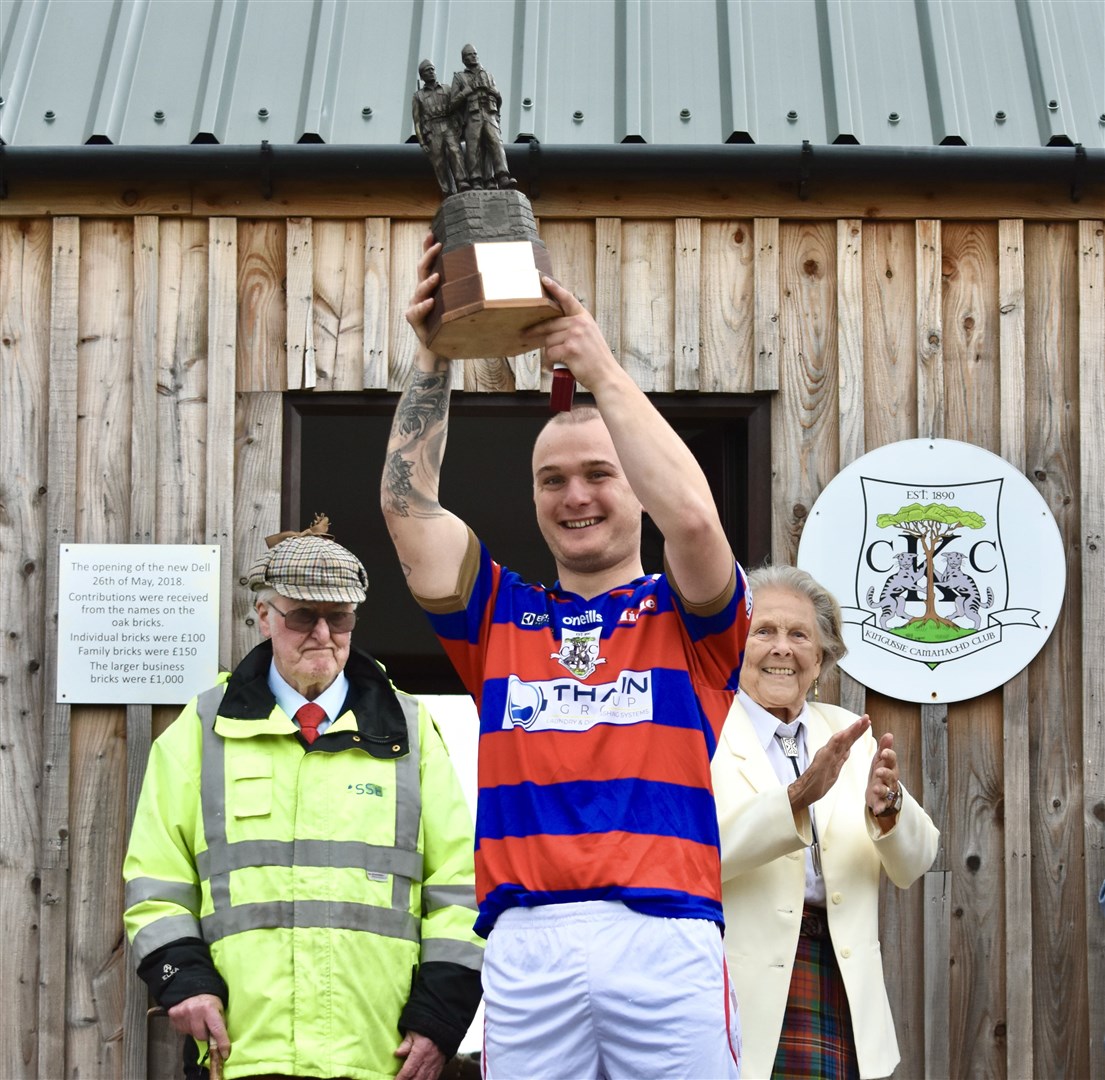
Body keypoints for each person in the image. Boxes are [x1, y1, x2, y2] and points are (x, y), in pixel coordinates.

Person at [379, 235, 750, 1080]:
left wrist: (601, 369)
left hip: (663, 931)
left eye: (599, 474)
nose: (574, 496)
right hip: (526, 938)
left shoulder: (689, 616)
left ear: (636, 488)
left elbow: (692, 521)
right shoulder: (499, 614)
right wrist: (433, 357)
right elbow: (406, 510)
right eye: (552, 480)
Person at [123, 518, 483, 1080]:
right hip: (242, 1054)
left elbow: (461, 891)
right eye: (302, 616)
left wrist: (439, 1017)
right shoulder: (198, 733)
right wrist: (183, 983)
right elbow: (157, 886)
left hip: (380, 1057)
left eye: (338, 618)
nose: (322, 633)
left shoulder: (412, 732)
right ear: (264, 617)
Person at [711, 564, 939, 1080]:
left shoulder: (846, 730)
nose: (781, 648)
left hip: (839, 981)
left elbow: (918, 861)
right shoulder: (704, 733)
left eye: (800, 635)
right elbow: (691, 855)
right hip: (735, 989)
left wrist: (890, 809)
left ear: (821, 658)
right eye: (763, 631)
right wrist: (795, 798)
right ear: (734, 646)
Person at [449, 44, 516, 190]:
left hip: (489, 113)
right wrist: (467, 91)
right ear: (463, 59)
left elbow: (499, 97)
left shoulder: (488, 75)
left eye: (474, 53)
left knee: (496, 143)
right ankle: (476, 180)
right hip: (472, 116)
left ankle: (501, 177)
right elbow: (452, 104)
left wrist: (490, 91)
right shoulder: (459, 77)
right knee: (474, 148)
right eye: (468, 55)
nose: (472, 56)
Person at [412, 59, 469, 196]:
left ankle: (462, 183)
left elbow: (456, 109)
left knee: (456, 152)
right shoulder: (418, 96)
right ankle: (446, 190)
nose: (431, 72)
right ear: (422, 75)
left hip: (448, 126)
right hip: (432, 130)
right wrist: (422, 142)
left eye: (432, 69)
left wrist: (460, 127)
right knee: (438, 161)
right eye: (427, 70)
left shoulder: (447, 89)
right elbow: (417, 121)